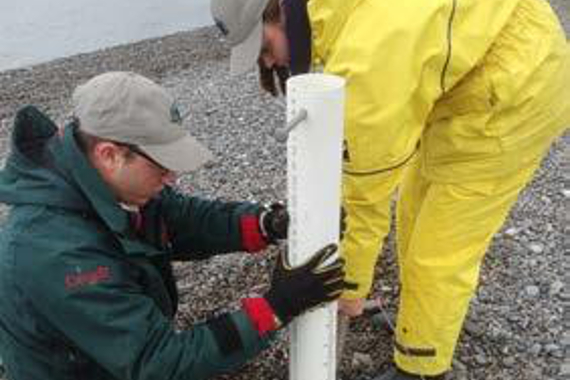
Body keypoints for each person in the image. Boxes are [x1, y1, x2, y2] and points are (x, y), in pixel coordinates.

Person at [210, 0, 570, 378]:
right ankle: (422, 320)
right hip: (475, 66)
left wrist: (350, 288)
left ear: (278, 12)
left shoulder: (367, 57)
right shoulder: (334, 14)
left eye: (264, 49)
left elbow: (368, 197)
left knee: (439, 250)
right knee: (412, 211)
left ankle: (421, 365)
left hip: (517, 91)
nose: (268, 64)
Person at [0, 71, 348, 380]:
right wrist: (276, 308)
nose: (173, 178)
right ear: (110, 155)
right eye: (163, 166)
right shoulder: (54, 252)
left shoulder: (100, 182)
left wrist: (267, 224)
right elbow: (159, 362)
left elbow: (180, 218)